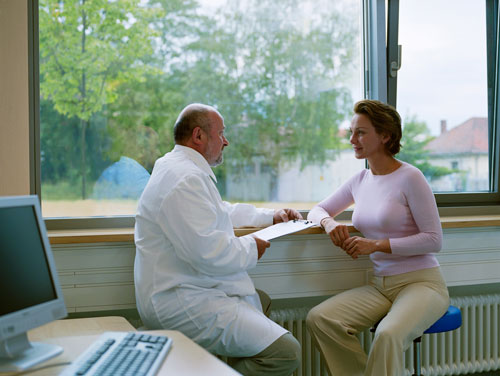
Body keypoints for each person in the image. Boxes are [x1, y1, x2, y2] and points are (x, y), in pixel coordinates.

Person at [134, 103, 301, 376]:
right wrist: (252, 247)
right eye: (221, 133)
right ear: (198, 136)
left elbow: (219, 212)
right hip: (179, 300)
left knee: (262, 300)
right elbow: (207, 252)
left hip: (190, 287)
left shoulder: (180, 168)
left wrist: (271, 216)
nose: (226, 141)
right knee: (285, 352)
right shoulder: (184, 178)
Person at [306, 99, 450, 376]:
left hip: (422, 284)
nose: (352, 139)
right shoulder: (360, 180)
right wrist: (327, 223)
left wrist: (375, 245)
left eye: (361, 132)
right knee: (321, 319)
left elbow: (434, 240)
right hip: (381, 286)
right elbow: (318, 209)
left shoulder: (411, 177)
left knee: (387, 335)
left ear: (385, 136)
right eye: (351, 132)